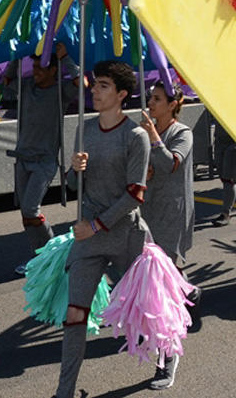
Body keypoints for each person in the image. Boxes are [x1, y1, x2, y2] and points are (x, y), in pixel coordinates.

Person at [54, 60, 150, 398]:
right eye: (94, 84)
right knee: (75, 314)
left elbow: (135, 195)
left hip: (125, 237)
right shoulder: (85, 129)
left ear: (122, 94)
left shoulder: (136, 136)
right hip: (88, 240)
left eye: (104, 86)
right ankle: (63, 392)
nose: (94, 90)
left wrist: (96, 225)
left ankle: (167, 359)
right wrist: (74, 170)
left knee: (148, 311)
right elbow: (72, 186)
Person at [139, 81, 194, 390]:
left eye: (157, 99)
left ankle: (167, 358)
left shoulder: (182, 133)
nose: (151, 103)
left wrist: (153, 138)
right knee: (152, 278)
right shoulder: (144, 130)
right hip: (145, 214)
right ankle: (190, 291)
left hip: (172, 216)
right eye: (150, 97)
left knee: (161, 290)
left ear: (173, 104)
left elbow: (171, 163)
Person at [4, 43, 77, 272]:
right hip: (23, 159)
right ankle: (41, 259)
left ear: (53, 70)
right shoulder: (27, 87)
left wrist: (65, 59)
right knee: (25, 215)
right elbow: (7, 83)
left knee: (30, 209)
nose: (35, 72)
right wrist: (16, 58)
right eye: (33, 67)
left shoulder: (61, 91)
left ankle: (53, 255)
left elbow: (81, 84)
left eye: (40, 68)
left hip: (44, 161)